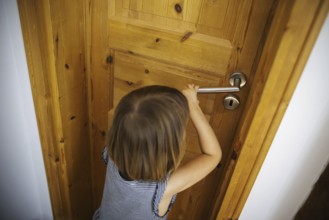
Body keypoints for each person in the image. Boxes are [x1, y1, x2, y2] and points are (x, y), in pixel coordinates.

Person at [93, 84, 222, 220]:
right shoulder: (163, 189)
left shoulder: (112, 154)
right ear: (169, 146)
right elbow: (212, 155)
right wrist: (192, 105)